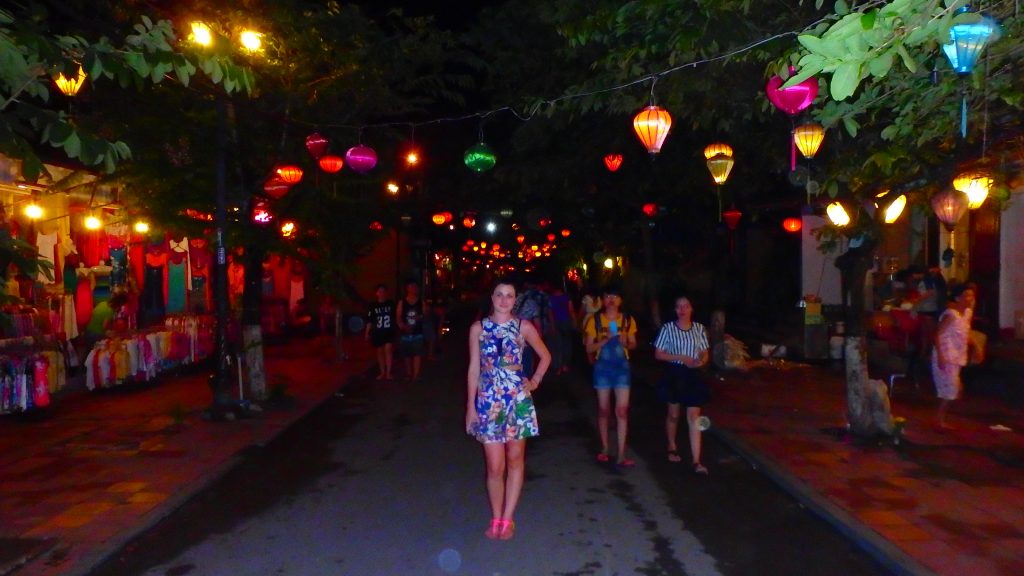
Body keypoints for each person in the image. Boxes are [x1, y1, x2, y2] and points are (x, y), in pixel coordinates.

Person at [466, 279, 550, 541]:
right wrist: (471, 407)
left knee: (515, 459)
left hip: (516, 398)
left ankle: (507, 517)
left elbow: (545, 356)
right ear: (492, 297)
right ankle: (495, 515)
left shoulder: (523, 326)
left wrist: (534, 381)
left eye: (509, 295)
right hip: (489, 399)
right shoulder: (477, 328)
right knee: (494, 465)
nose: (504, 300)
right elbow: (473, 369)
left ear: (515, 300)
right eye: (499, 295)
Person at [653, 296, 711, 474]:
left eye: (685, 306)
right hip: (675, 373)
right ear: (675, 310)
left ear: (692, 308)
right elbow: (659, 354)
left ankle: (696, 460)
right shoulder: (668, 329)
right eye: (679, 307)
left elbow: (704, 352)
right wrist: (681, 358)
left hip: (693, 374)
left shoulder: (699, 328)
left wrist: (700, 361)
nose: (682, 310)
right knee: (673, 414)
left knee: (694, 416)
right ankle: (672, 445)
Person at [583, 284, 637, 467]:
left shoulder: (628, 320)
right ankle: (605, 447)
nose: (611, 300)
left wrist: (626, 342)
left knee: (621, 411)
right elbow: (588, 347)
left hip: (622, 367)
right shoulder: (595, 321)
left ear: (621, 300)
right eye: (607, 296)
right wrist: (603, 341)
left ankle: (622, 453)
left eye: (615, 296)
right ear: (603, 300)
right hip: (603, 367)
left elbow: (634, 345)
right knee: (604, 409)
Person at [931, 284, 977, 430]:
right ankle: (939, 421)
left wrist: (976, 346)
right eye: (966, 295)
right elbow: (937, 335)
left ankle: (941, 419)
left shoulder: (967, 314)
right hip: (946, 354)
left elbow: (965, 333)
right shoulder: (951, 315)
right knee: (950, 389)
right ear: (958, 298)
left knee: (953, 389)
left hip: (957, 356)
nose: (970, 299)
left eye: (971, 296)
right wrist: (940, 356)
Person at [365, 284, 396, 380]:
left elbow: (396, 316)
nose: (382, 293)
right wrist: (367, 332)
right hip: (378, 332)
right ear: (376, 293)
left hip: (388, 331)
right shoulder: (373, 306)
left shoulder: (391, 304)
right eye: (380, 291)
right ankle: (382, 372)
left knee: (388, 349)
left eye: (383, 291)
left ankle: (388, 372)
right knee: (380, 351)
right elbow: (370, 320)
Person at [396, 280, 426, 380]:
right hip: (406, 331)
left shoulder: (420, 302)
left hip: (417, 331)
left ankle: (416, 374)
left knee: (417, 352)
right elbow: (398, 316)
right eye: (411, 287)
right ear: (407, 289)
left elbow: (425, 314)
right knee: (407, 354)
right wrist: (402, 325)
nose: (413, 289)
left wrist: (419, 317)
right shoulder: (402, 302)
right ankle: (409, 373)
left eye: (414, 287)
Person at [547, 283, 577, 375]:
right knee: (567, 344)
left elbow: (550, 312)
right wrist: (575, 322)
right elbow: (571, 310)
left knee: (557, 346)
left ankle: (558, 366)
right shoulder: (566, 297)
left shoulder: (550, 298)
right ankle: (565, 365)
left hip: (556, 322)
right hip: (566, 322)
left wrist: (552, 325)